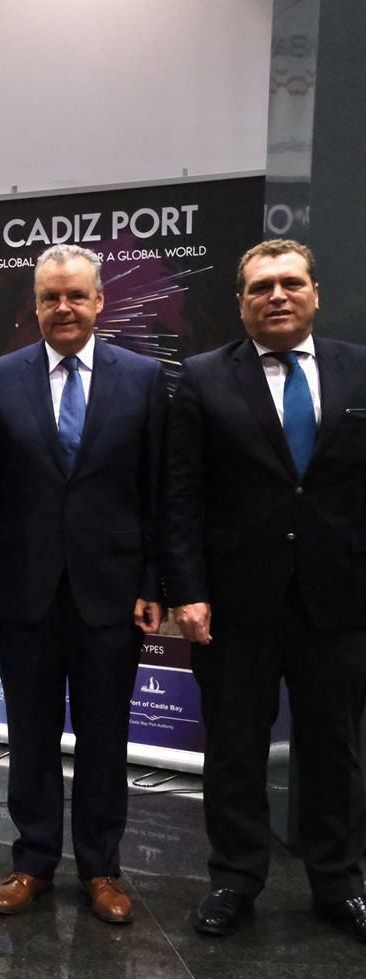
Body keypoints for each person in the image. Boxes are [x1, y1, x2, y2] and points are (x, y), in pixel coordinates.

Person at [0, 245, 167, 924]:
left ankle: (103, 868)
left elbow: (158, 491)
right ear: (35, 306)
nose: (64, 309)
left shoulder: (141, 377)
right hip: (24, 591)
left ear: (100, 302)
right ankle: (33, 862)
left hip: (112, 592)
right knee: (31, 733)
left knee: (106, 737)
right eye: (50, 298)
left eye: (76, 296)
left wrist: (153, 581)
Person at [162, 239, 366, 942]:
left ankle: (338, 882)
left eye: (290, 284)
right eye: (261, 288)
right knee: (235, 748)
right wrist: (185, 590)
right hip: (234, 604)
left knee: (335, 748)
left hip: (338, 602)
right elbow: (180, 496)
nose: (277, 296)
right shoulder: (202, 379)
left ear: (315, 293)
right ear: (241, 303)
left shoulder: (359, 370)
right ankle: (235, 879)